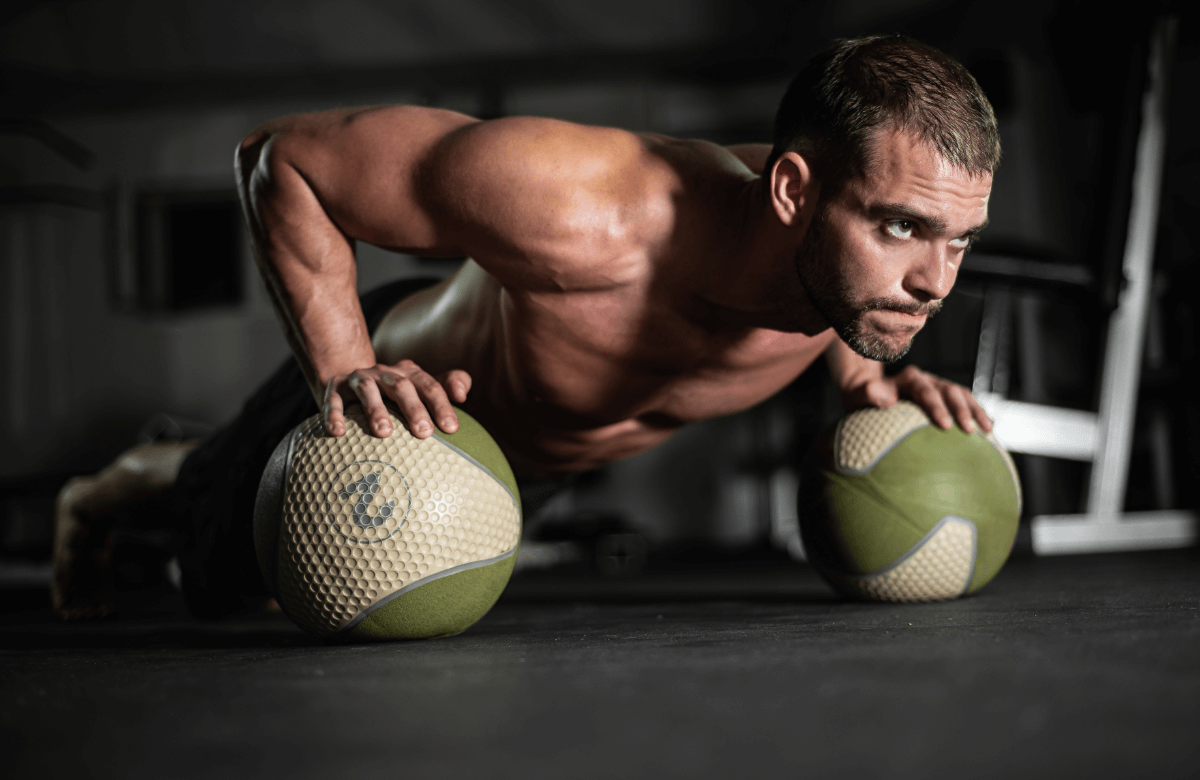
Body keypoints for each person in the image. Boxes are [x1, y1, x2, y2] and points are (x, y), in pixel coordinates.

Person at [53, 34, 998, 619]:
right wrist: (343, 368)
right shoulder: (585, 207)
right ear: (792, 191)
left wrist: (866, 380)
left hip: (544, 456)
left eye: (959, 240)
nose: (932, 283)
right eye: (904, 228)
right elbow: (282, 160)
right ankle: (98, 497)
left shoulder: (838, 265)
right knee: (222, 588)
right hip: (406, 399)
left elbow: (822, 292)